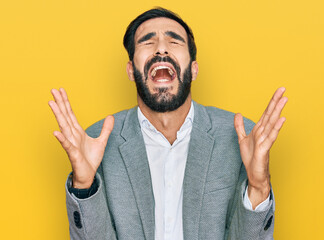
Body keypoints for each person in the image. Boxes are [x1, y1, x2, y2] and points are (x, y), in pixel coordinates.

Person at [49, 7, 287, 240]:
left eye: (174, 42)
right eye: (147, 42)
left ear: (193, 70)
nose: (161, 48)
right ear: (131, 70)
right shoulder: (97, 141)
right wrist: (84, 186)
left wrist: (259, 187)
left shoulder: (241, 137)